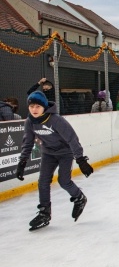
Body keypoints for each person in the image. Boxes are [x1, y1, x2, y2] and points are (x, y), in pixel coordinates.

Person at [16, 91, 93, 231]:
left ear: (44, 107)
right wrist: (22, 162)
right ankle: (45, 213)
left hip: (65, 153)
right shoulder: (30, 122)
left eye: (37, 107)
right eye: (31, 106)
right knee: (43, 181)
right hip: (48, 153)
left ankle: (79, 198)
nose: (34, 110)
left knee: (64, 181)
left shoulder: (56, 120)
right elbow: (27, 143)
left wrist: (81, 160)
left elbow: (72, 139)